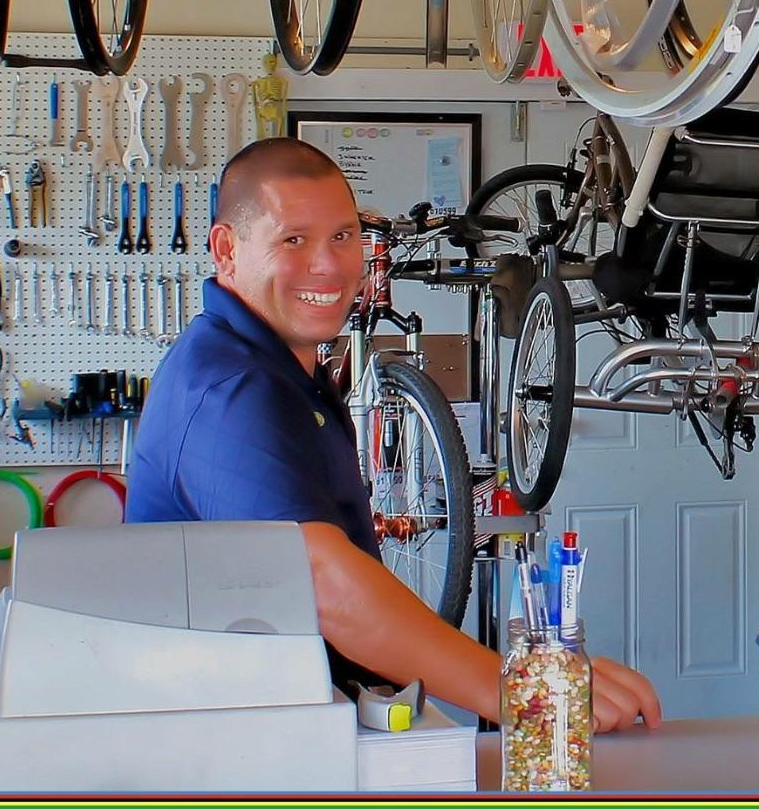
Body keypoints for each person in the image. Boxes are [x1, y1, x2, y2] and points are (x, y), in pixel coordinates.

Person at [125, 138, 661, 732]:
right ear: (227, 251)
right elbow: (321, 580)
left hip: (282, 724)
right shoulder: (229, 388)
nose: (328, 266)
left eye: (344, 236)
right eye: (293, 240)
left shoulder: (282, 366)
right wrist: (525, 691)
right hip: (219, 745)